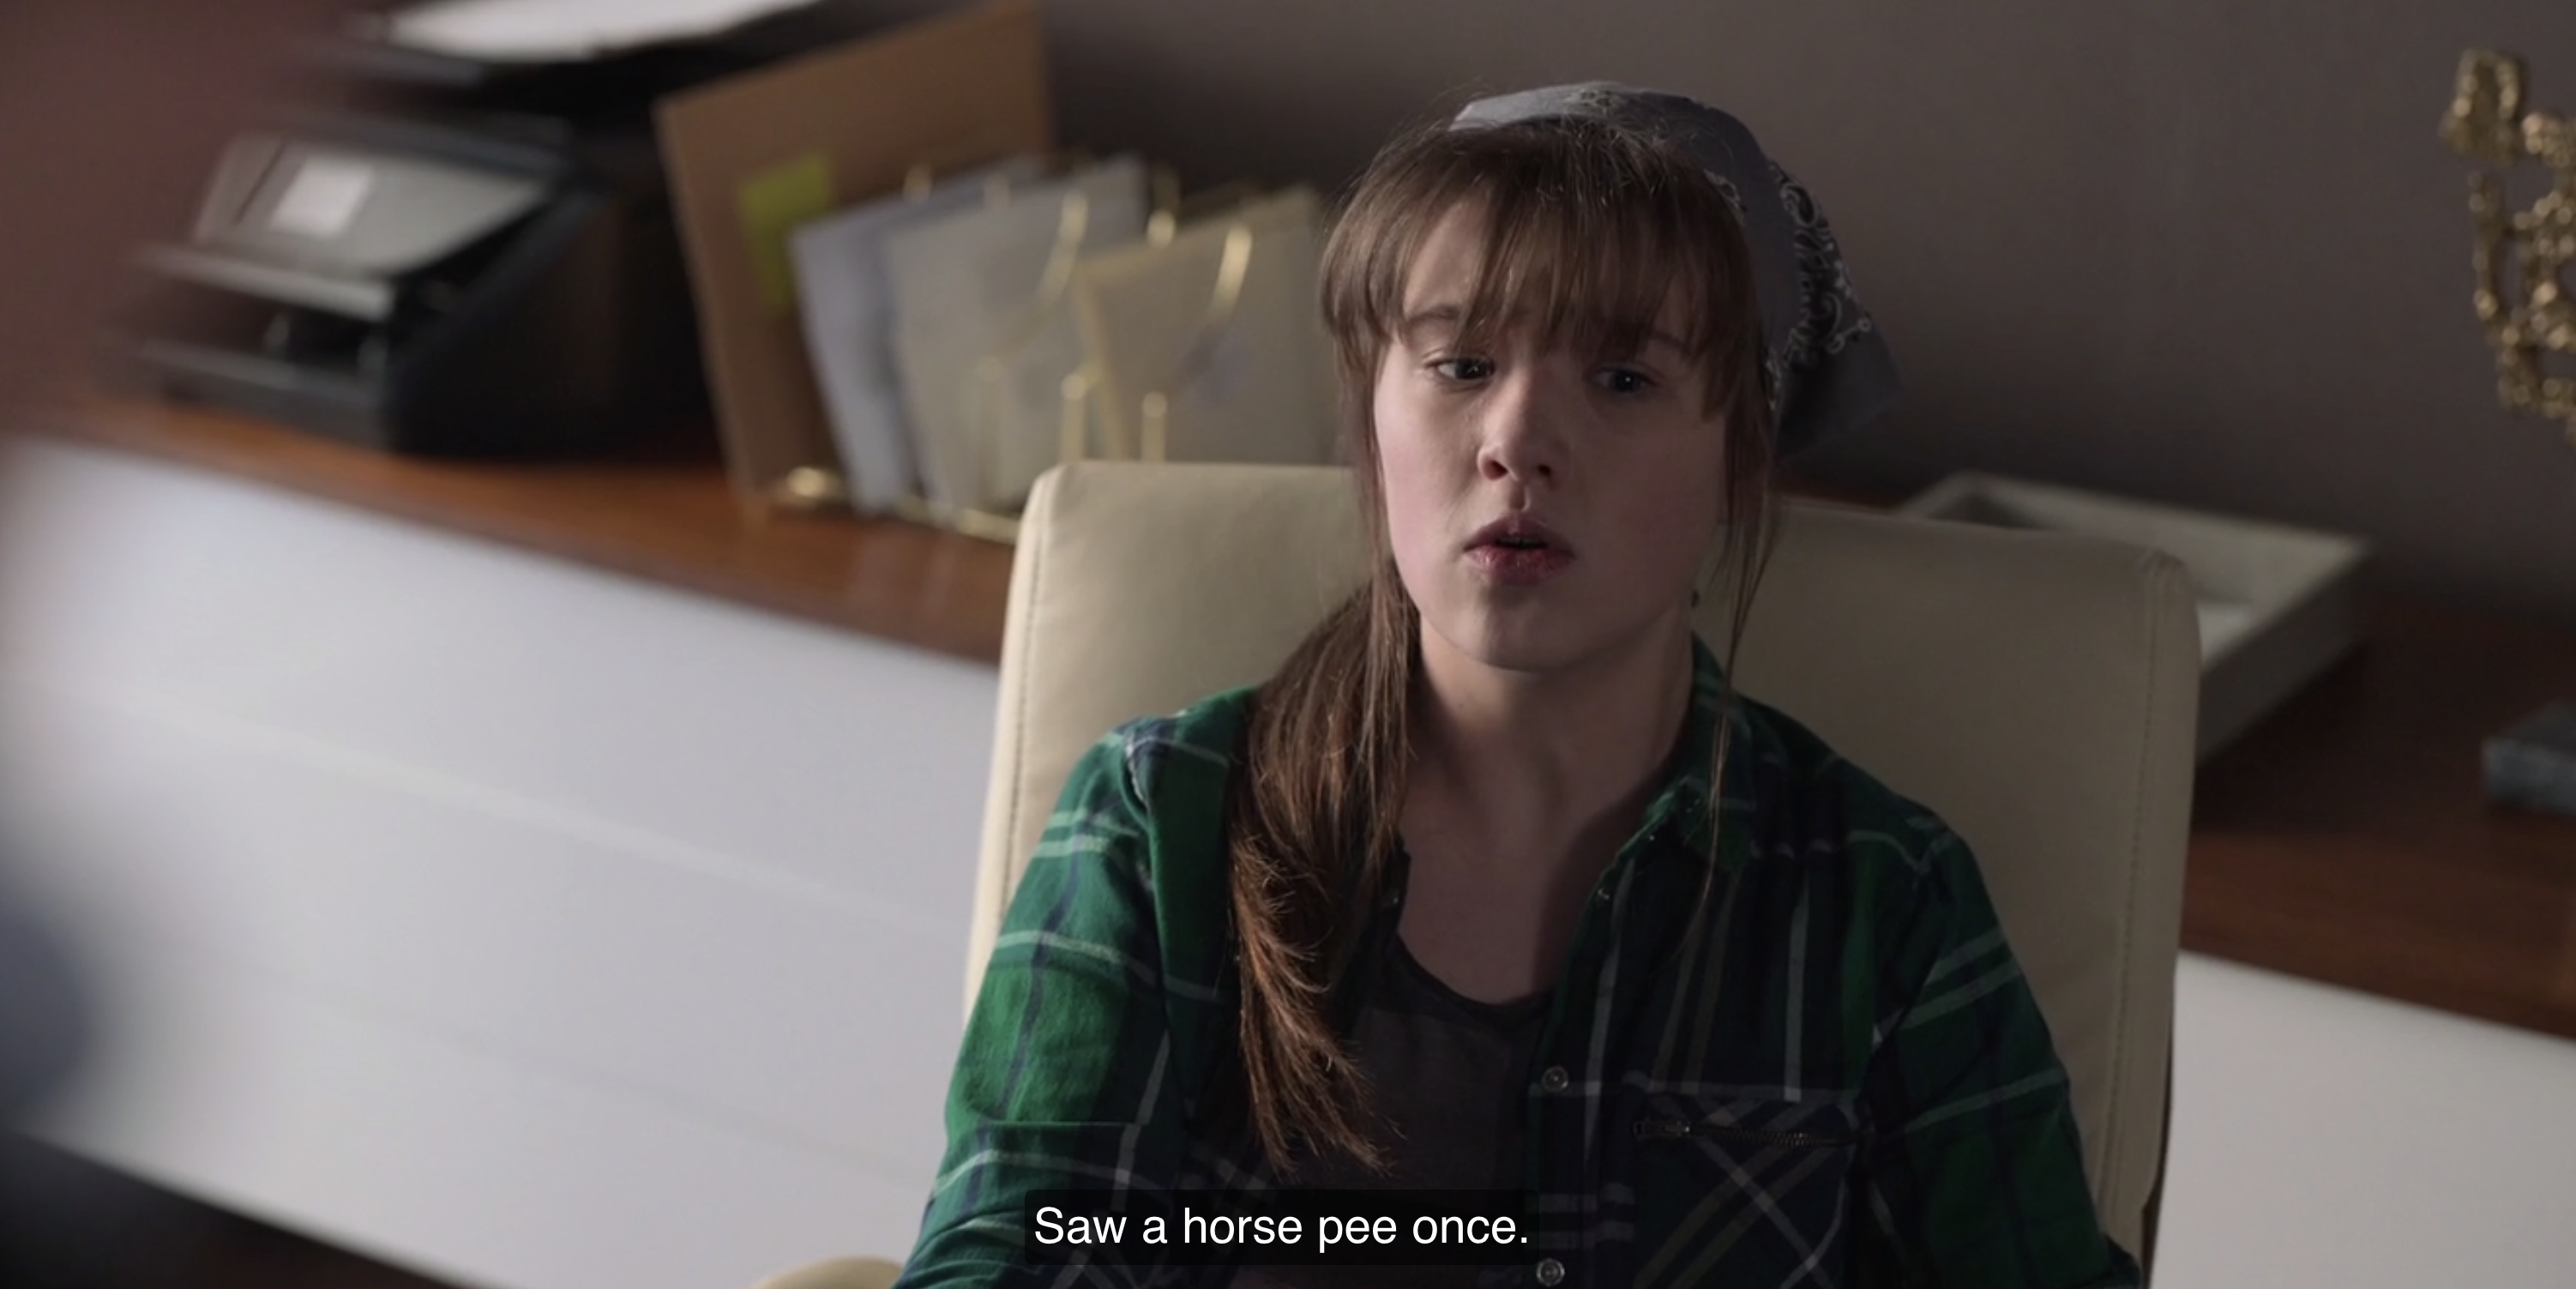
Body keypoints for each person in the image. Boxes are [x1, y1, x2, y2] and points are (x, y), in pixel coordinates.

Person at [896, 84, 2140, 1288]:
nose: (1516, 443)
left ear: (1737, 456)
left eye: (1623, 378)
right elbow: (1018, 1245)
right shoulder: (1159, 822)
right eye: (1460, 364)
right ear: (1371, 411)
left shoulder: (1885, 900)